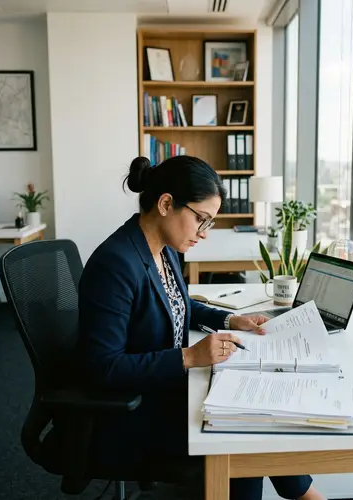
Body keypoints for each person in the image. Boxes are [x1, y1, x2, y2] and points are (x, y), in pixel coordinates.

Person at [77, 155, 325, 500]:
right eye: (201, 220)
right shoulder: (116, 264)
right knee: (241, 431)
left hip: (166, 391)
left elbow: (178, 305)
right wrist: (189, 357)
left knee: (255, 415)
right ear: (166, 204)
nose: (204, 234)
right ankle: (307, 495)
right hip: (132, 413)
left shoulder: (161, 250)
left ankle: (305, 494)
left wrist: (229, 320)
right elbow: (101, 368)